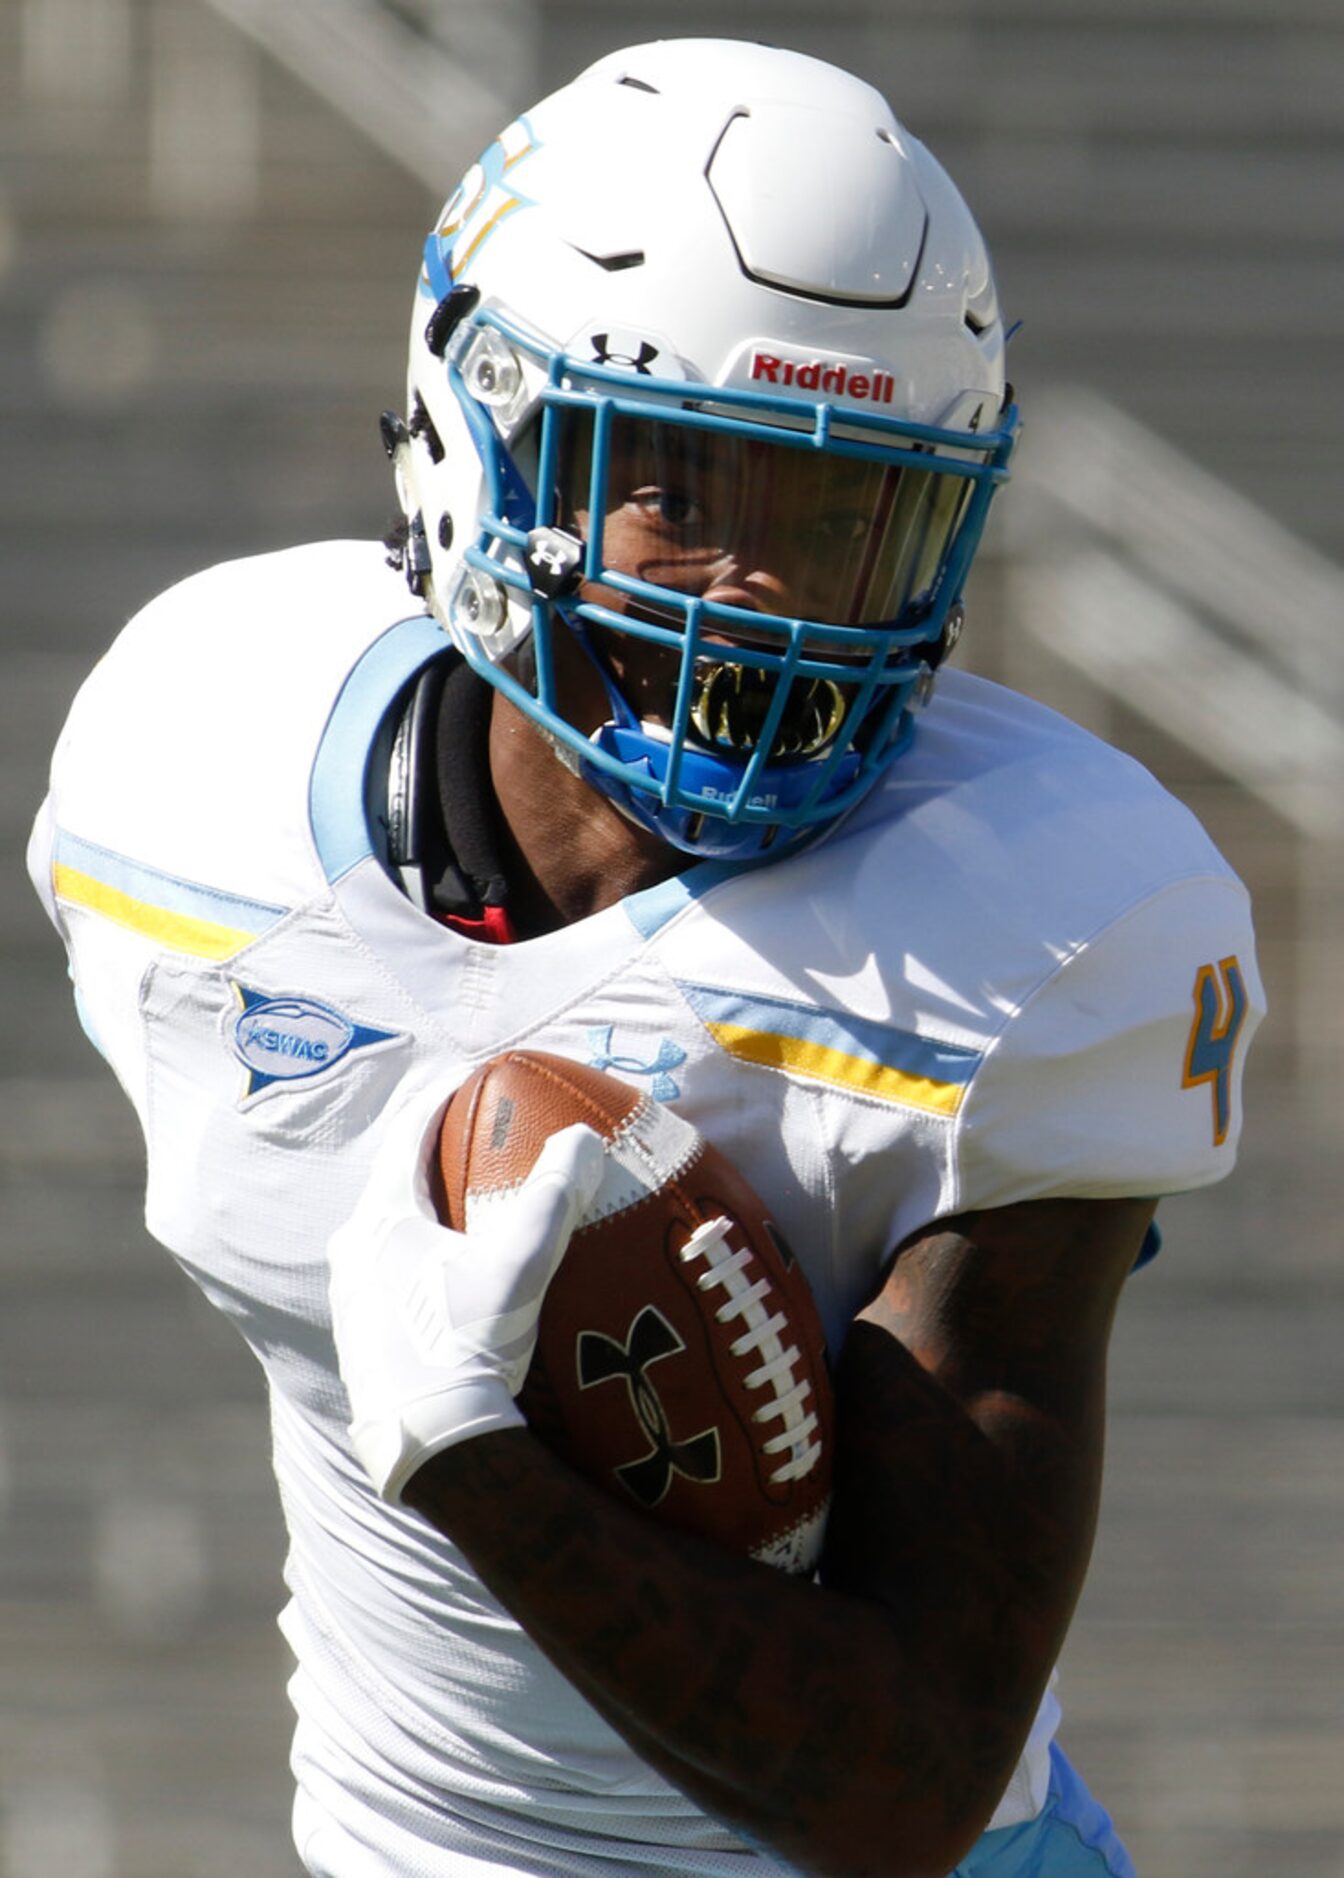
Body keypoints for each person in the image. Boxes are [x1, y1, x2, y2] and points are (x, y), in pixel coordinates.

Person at [29, 36, 1262, 1878]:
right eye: (683, 493)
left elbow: (907, 1780)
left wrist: (472, 1460)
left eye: (840, 515)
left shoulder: (1042, 924)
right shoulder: (187, 767)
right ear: (479, 440)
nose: (759, 602)